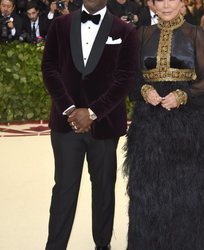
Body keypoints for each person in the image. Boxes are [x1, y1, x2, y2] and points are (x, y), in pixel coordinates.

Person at [41, 0, 139, 248]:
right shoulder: (60, 25)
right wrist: (71, 109)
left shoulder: (124, 31)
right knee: (64, 188)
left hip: (105, 125)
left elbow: (126, 78)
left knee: (104, 189)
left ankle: (102, 245)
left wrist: (93, 112)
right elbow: (49, 69)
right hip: (66, 124)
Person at [123, 0, 204, 249]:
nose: (166, 5)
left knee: (188, 192)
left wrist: (183, 95)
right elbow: (130, 76)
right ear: (151, 4)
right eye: (159, 0)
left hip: (189, 126)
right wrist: (144, 90)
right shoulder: (142, 34)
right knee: (148, 193)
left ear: (182, 3)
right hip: (148, 126)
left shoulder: (195, 33)